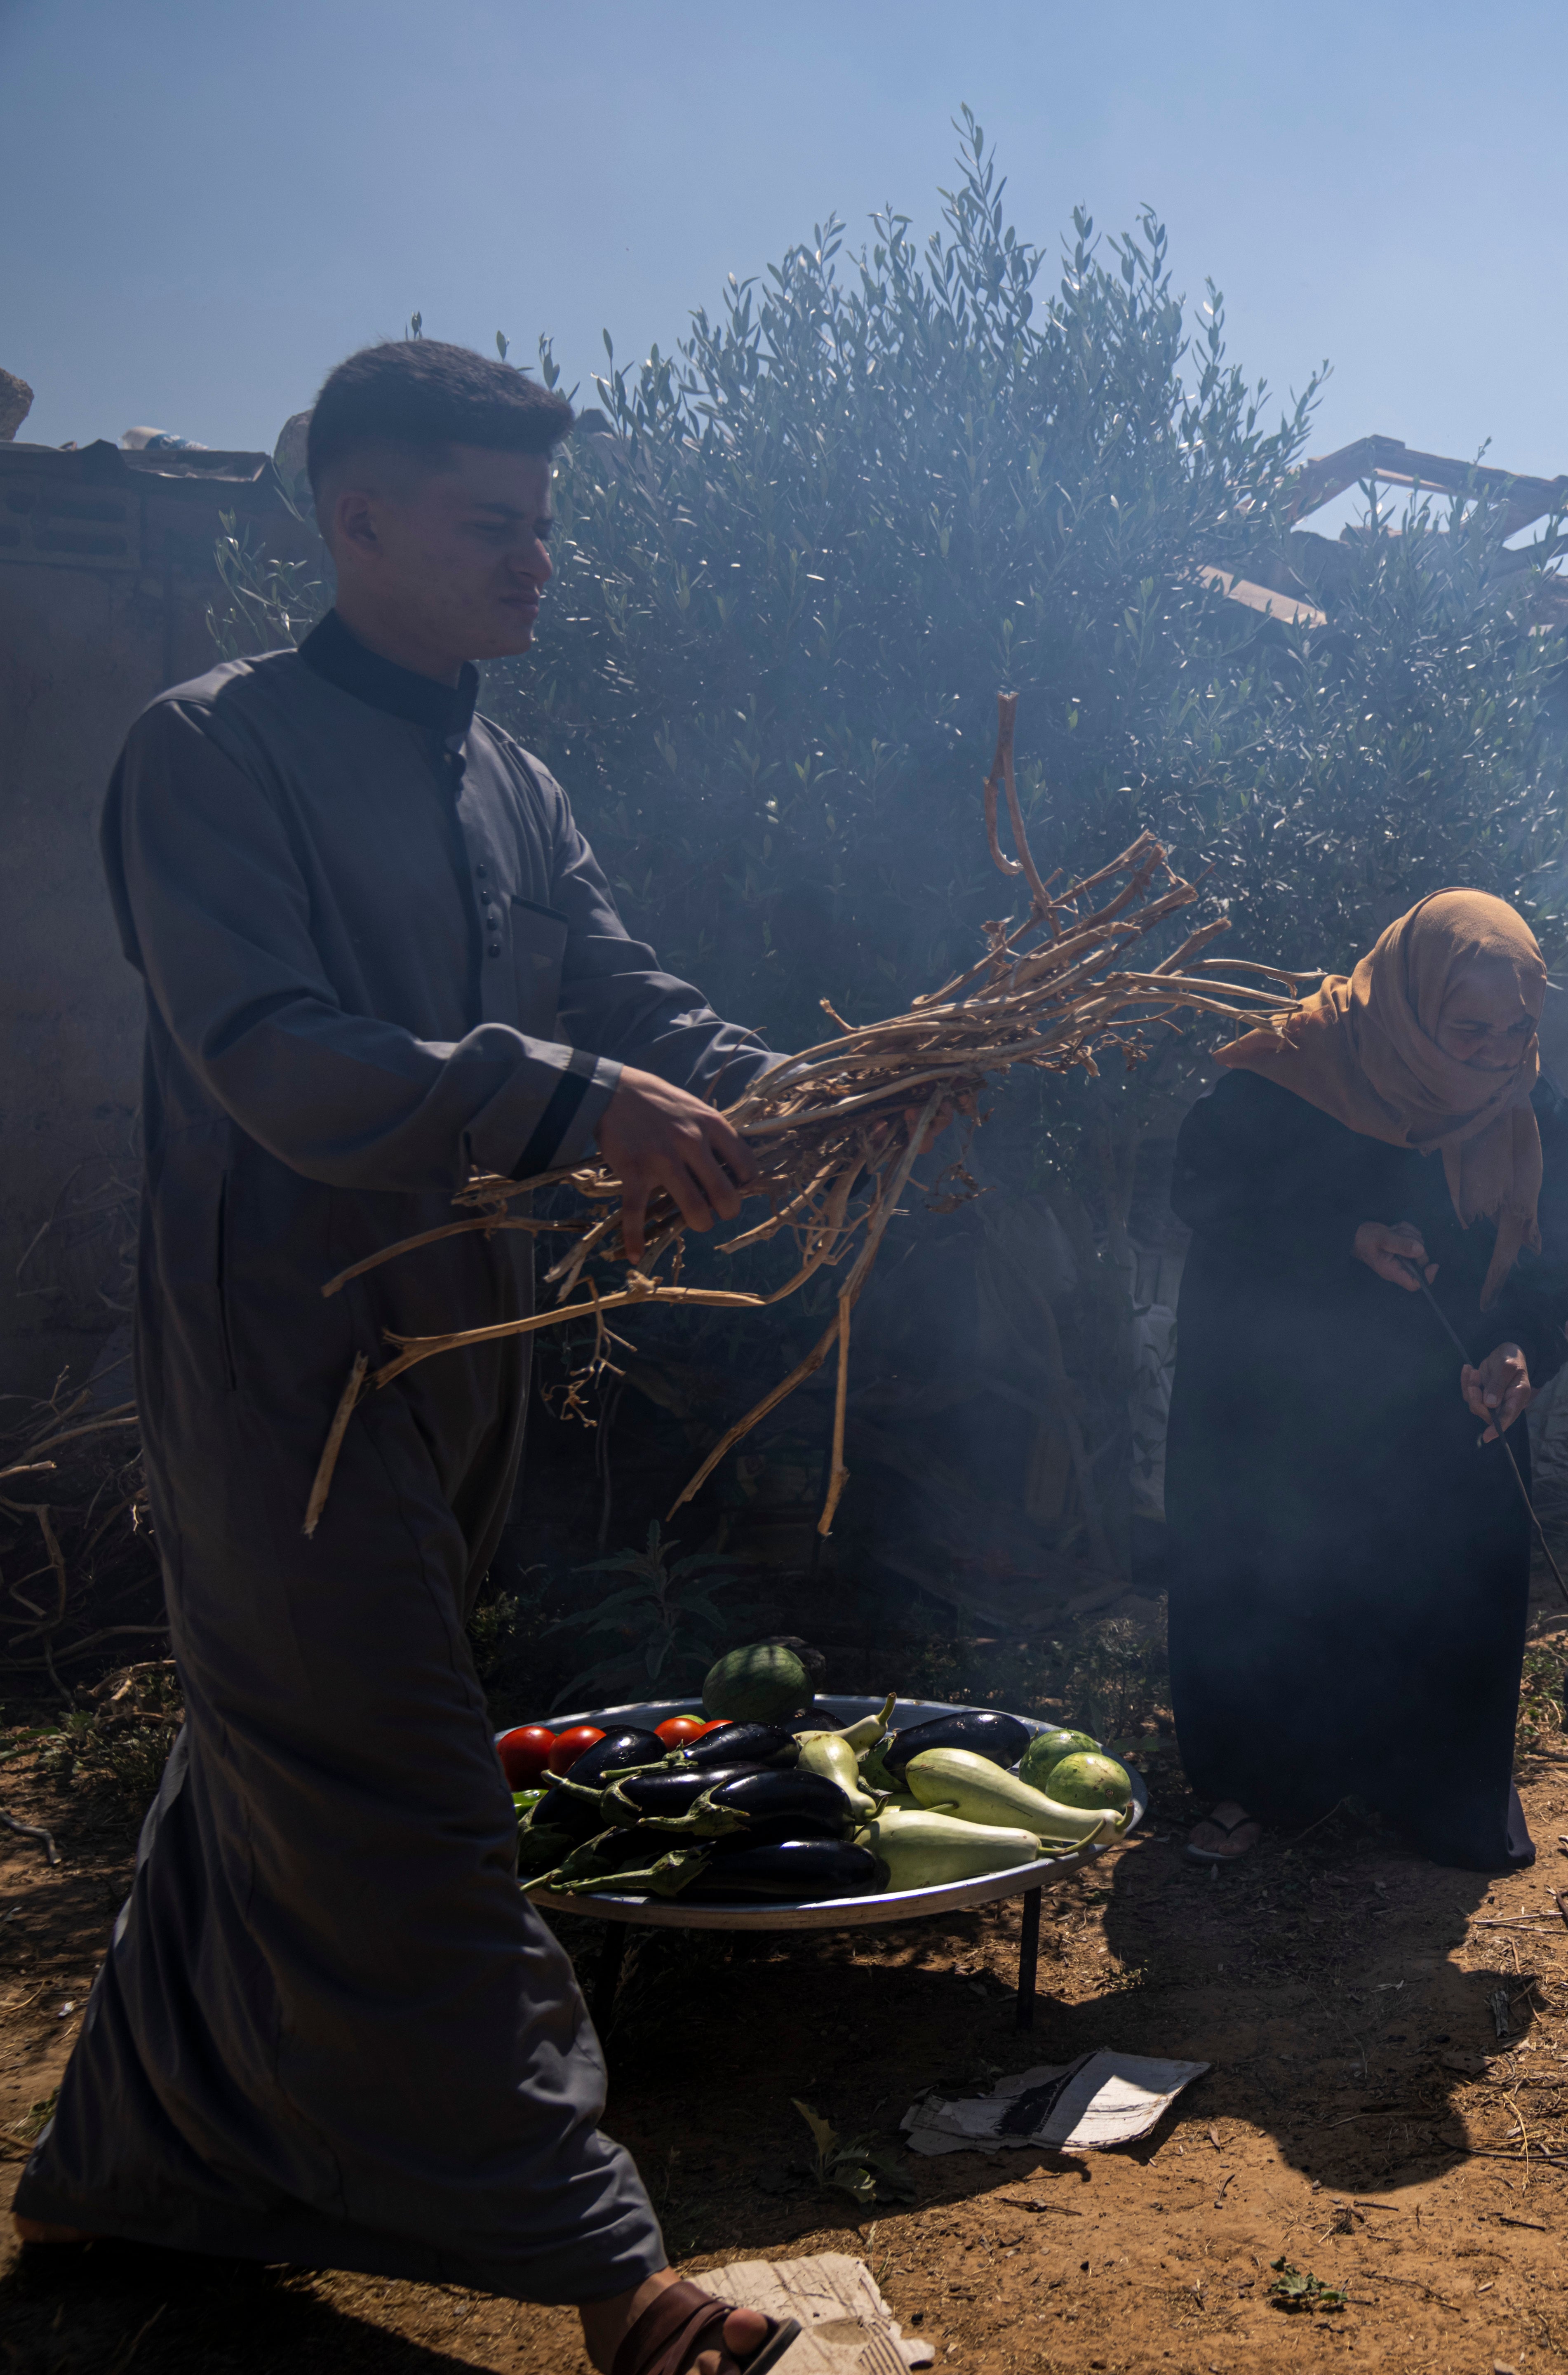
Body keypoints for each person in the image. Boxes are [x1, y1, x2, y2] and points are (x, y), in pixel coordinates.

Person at [9, 341, 793, 2375]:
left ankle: (122, 2172)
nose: (538, 564)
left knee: (281, 1753)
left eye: (543, 528)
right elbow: (266, 1050)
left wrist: (780, 1085)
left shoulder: (510, 777)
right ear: (356, 521)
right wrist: (573, 1101)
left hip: (463, 1364)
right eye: (491, 525)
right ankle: (608, 2270)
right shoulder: (209, 752)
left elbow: (618, 981)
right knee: (407, 1789)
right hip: (285, 1372)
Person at [1158, 889, 1568, 1872]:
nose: (1493, 1055)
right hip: (1281, 1391)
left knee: (1447, 1574)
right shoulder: (1294, 1069)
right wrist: (1343, 1236)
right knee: (1272, 1571)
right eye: (1468, 1030)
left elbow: (1551, 1262)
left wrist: (1518, 1350)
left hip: (1446, 1394)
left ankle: (1432, 1793)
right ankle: (1255, 1783)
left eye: (1516, 1029)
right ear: (1413, 998)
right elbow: (1203, 1190)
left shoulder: (1532, 1102)